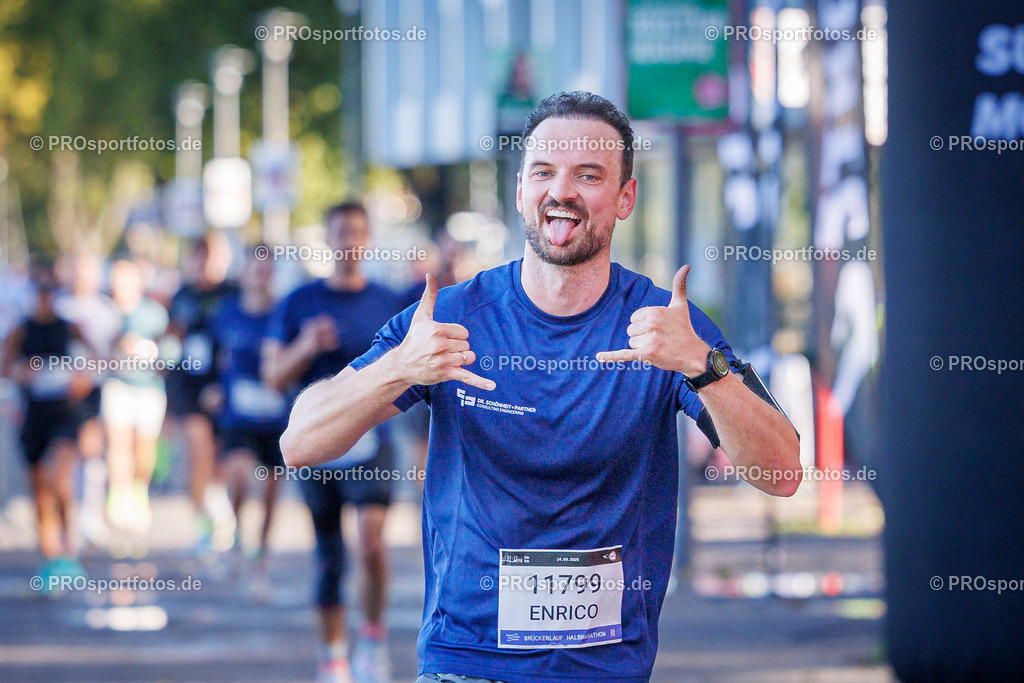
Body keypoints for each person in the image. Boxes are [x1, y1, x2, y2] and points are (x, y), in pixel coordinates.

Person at [281, 92, 803, 683]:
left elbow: (782, 472)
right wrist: (397, 368)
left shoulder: (669, 327)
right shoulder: (450, 316)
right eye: (544, 172)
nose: (563, 192)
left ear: (625, 197)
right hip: (467, 660)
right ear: (521, 191)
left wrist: (701, 367)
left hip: (607, 666)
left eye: (589, 175)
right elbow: (300, 443)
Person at [263, 202, 404, 683]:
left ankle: (373, 639)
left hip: (372, 443)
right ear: (326, 238)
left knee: (370, 545)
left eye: (357, 232)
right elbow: (272, 376)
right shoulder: (298, 303)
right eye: (340, 232)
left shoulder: (388, 302)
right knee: (329, 556)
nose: (349, 241)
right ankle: (334, 659)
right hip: (319, 446)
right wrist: (305, 345)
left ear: (368, 239)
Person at [1, 258, 92, 587]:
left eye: (49, 290)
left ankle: (70, 547)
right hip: (33, 412)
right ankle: (50, 555)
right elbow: (5, 366)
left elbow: (95, 359)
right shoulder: (20, 329)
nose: (44, 296)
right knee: (39, 487)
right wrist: (21, 372)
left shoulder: (70, 326)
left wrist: (81, 377)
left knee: (60, 479)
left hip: (65, 412)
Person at [210, 246, 287, 598]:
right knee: (239, 476)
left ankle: (261, 558)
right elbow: (211, 355)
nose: (261, 275)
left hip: (276, 417)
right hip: (238, 416)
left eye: (267, 269)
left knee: (270, 492)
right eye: (255, 269)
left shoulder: (283, 313)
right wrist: (211, 388)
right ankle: (237, 537)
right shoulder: (227, 314)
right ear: (245, 273)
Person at [166, 232, 237, 553]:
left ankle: (223, 515)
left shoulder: (232, 293)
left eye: (211, 255)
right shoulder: (182, 296)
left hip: (225, 385)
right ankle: (202, 526)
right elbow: (171, 341)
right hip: (189, 385)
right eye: (199, 255)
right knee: (199, 451)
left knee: (223, 460)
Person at [55, 253, 122, 545]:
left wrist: (91, 371)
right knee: (62, 458)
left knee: (92, 451)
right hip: (59, 393)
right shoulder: (59, 306)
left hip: (92, 390)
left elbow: (112, 352)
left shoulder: (106, 309)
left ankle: (91, 515)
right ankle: (65, 520)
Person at [101, 259, 169, 534]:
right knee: (118, 441)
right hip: (118, 385)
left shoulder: (154, 313)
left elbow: (168, 352)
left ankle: (138, 491)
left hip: (149, 388)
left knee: (144, 445)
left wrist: (146, 351)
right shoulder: (105, 310)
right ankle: (118, 497)